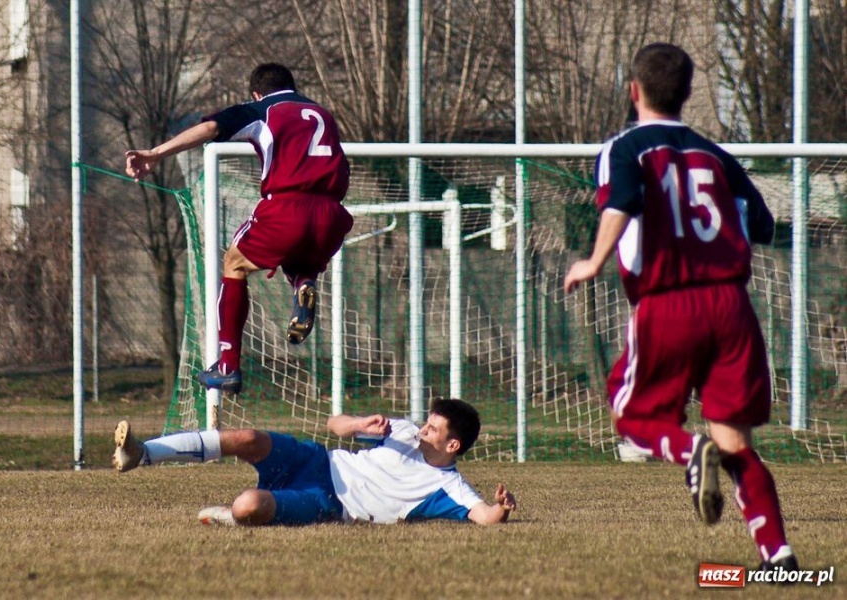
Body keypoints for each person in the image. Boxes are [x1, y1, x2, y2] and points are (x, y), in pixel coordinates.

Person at [563, 43, 797, 572]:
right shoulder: (716, 155)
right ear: (688, 94)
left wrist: (594, 261)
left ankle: (689, 453)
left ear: (633, 90)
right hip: (733, 307)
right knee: (736, 442)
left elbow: (622, 201)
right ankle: (779, 556)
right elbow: (761, 223)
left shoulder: (624, 148)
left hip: (670, 300)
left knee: (632, 417)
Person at [125, 63, 353, 394]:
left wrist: (156, 153)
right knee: (299, 256)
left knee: (233, 263)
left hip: (287, 207)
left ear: (257, 93)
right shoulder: (323, 114)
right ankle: (303, 281)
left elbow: (210, 128)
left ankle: (228, 366)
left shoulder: (263, 109)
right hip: (332, 215)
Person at [112, 398, 517, 527]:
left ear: (453, 446)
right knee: (248, 438)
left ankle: (227, 516)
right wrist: (358, 423)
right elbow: (333, 424)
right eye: (426, 423)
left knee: (248, 506)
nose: (423, 430)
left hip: (327, 501)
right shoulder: (403, 430)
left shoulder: (449, 486)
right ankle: (143, 453)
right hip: (318, 459)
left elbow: (482, 516)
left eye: (433, 429)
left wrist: (501, 507)